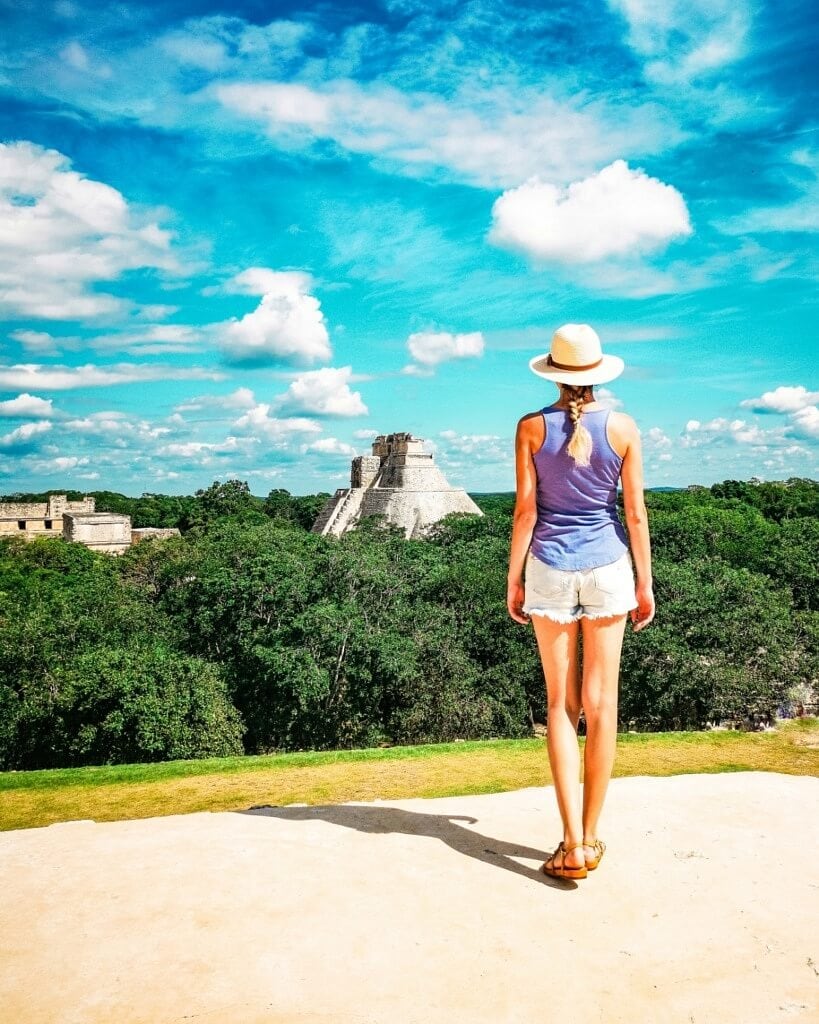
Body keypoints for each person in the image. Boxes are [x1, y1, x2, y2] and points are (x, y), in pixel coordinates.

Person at [506, 323, 655, 881]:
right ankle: (591, 840)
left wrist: (514, 579)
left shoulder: (529, 427)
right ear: (596, 374)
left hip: (548, 565)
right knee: (602, 705)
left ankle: (568, 843)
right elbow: (635, 513)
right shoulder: (623, 427)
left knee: (560, 706)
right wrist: (644, 583)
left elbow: (525, 512)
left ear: (554, 370)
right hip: (610, 567)